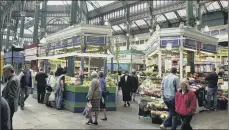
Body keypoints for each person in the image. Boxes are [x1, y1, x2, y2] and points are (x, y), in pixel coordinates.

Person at [2, 64, 20, 130]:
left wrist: (5, 107)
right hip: (11, 105)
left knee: (7, 122)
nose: (3, 73)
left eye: (4, 71)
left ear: (9, 71)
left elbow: (11, 96)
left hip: (10, 106)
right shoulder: (12, 78)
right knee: (9, 121)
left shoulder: (13, 80)